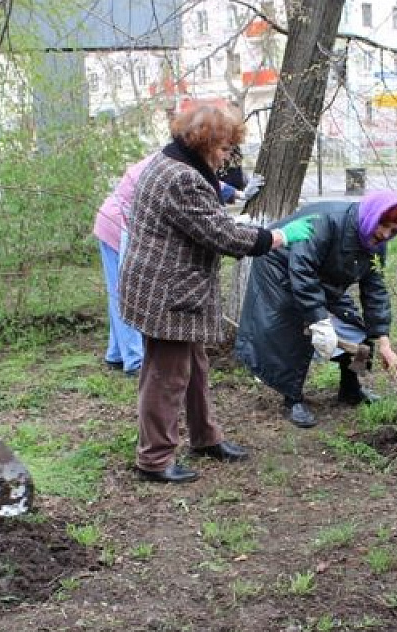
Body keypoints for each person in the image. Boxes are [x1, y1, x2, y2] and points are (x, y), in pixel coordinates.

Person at [119, 104, 291, 483]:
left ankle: (205, 436)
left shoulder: (173, 162)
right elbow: (221, 235)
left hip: (166, 285)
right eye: (225, 148)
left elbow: (206, 220)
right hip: (168, 292)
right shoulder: (181, 177)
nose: (228, 156)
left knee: (194, 365)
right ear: (205, 143)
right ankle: (154, 458)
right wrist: (273, 238)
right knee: (166, 376)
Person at [235, 190, 397, 428]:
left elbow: (375, 291)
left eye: (394, 230)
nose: (385, 234)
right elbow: (302, 271)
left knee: (351, 324)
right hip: (280, 265)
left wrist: (384, 343)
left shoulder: (376, 244)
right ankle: (293, 398)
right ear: (371, 215)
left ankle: (350, 389)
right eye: (384, 225)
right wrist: (319, 320)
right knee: (293, 329)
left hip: (323, 275)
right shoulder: (327, 222)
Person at [92, 155, 150, 376]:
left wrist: (233, 192)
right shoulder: (168, 164)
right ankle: (135, 361)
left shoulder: (172, 159)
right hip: (117, 226)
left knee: (118, 292)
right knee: (125, 293)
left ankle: (116, 354)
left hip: (116, 223)